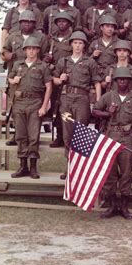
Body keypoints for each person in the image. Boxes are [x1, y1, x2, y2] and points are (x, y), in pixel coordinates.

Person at [92, 67, 132, 219]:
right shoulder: (109, 96)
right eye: (119, 79)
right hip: (110, 135)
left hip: (127, 136)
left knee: (126, 172)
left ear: (129, 81)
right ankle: (111, 205)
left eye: (125, 79)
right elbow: (95, 111)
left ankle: (124, 206)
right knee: (110, 172)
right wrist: (108, 113)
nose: (122, 81)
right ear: (115, 81)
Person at [53, 31, 101, 179]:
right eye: (75, 43)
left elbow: (97, 83)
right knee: (67, 135)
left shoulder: (90, 62)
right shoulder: (64, 61)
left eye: (80, 43)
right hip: (66, 99)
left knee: (80, 134)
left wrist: (98, 102)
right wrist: (59, 79)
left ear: (84, 46)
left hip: (82, 99)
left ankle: (80, 168)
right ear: (71, 44)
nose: (78, 46)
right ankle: (70, 167)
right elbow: (53, 80)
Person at [7, 37, 52, 179]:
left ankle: (33, 167)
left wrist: (44, 106)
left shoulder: (42, 66)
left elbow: (49, 86)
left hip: (35, 102)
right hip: (19, 102)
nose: (31, 51)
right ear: (25, 50)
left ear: (38, 50)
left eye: (34, 48)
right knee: (20, 135)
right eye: (29, 49)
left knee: (33, 136)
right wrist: (13, 80)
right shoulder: (17, 64)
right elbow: (10, 78)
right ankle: (22, 166)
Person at [43, 11, 75, 147]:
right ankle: (59, 135)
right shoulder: (51, 39)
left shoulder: (73, 38)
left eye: (64, 21)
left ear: (69, 24)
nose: (62, 23)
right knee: (56, 106)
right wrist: (47, 59)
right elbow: (44, 53)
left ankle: (69, 136)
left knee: (67, 108)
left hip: (69, 76)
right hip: (55, 76)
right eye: (59, 21)